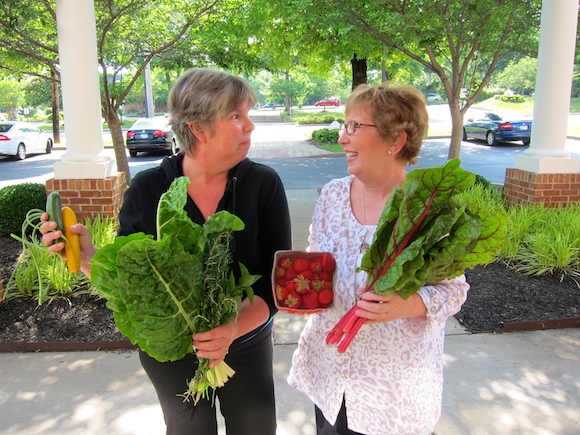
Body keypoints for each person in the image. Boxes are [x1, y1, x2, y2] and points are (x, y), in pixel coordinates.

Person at [42, 68, 292, 434]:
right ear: (198, 128)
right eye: (237, 116)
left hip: (246, 341)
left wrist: (231, 327)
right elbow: (132, 287)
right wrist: (87, 255)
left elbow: (276, 282)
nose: (250, 126)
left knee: (255, 428)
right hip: (173, 350)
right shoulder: (148, 189)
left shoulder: (263, 184)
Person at [287, 83, 470, 435]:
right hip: (329, 378)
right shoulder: (332, 194)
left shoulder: (428, 209)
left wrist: (407, 304)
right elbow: (317, 259)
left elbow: (454, 291)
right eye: (344, 125)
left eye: (354, 127)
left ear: (395, 140)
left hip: (392, 396)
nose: (342, 137)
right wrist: (305, 287)